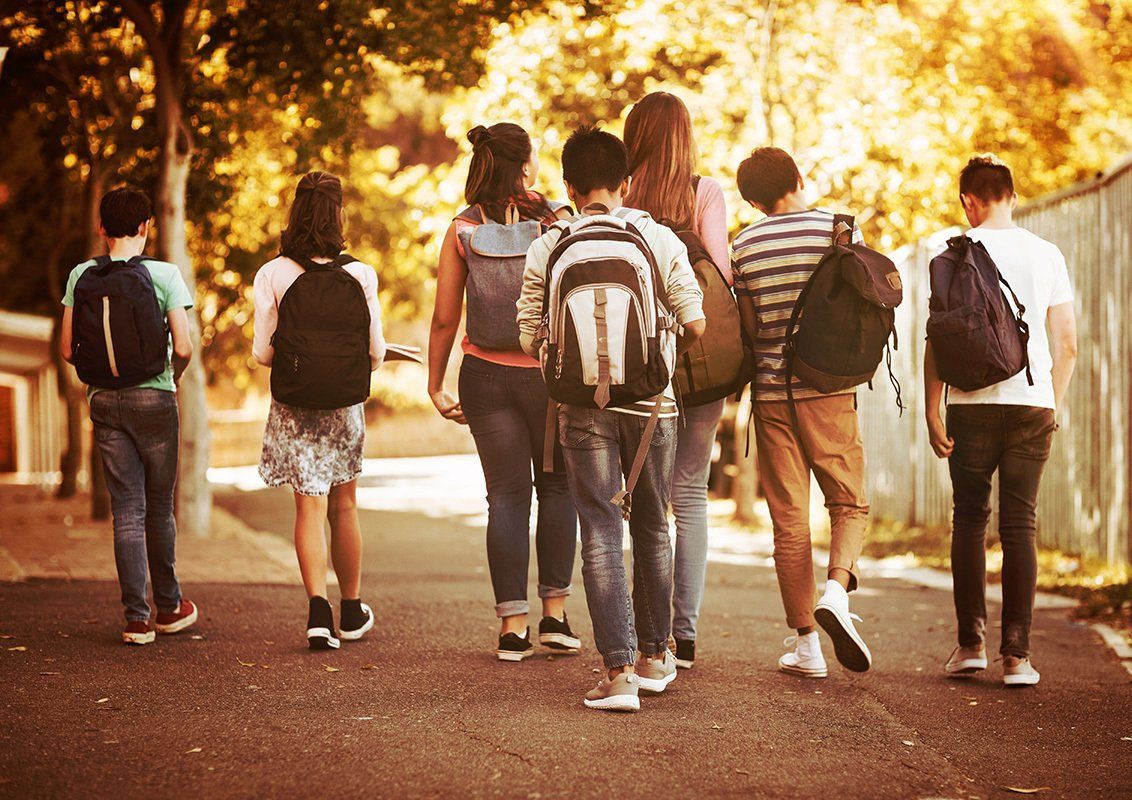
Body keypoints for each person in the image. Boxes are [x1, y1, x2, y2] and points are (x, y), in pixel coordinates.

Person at [517, 125, 705, 711]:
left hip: (579, 406)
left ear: (569, 186)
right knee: (653, 523)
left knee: (599, 528)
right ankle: (656, 657)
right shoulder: (656, 237)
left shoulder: (550, 243)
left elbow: (528, 336)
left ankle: (618, 673)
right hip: (652, 407)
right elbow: (696, 323)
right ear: (626, 182)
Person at [427, 122, 581, 662]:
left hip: (484, 378)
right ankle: (556, 618)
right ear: (524, 166)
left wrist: (434, 383)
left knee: (507, 497)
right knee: (558, 489)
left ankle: (512, 627)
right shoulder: (559, 220)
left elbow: (446, 318)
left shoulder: (461, 228)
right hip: (549, 377)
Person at [924, 155, 1077, 687]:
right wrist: (1050, 402)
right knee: (1020, 524)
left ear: (969, 200)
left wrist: (931, 407)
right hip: (1033, 402)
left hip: (969, 406)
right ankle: (1017, 657)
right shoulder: (1047, 254)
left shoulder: (953, 253)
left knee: (969, 519)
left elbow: (937, 337)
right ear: (1012, 194)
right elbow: (1069, 345)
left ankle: (969, 645)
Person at [731, 147, 872, 678]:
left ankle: (807, 646)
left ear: (752, 199)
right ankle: (836, 591)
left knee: (789, 523)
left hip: (772, 398)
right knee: (849, 503)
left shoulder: (744, 245)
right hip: (830, 391)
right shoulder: (840, 232)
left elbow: (749, 329)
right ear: (798, 177)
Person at [61, 186, 199, 645]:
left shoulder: (81, 275)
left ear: (102, 229)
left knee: (127, 509)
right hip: (154, 399)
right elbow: (183, 346)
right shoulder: (164, 275)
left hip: (104, 401)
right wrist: (171, 377)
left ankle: (136, 619)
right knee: (159, 507)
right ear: (144, 228)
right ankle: (170, 607)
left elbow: (66, 349)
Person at [253, 171, 385, 650]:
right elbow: (375, 353)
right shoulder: (360, 274)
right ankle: (351, 609)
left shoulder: (273, 274)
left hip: (294, 406)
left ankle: (316, 611)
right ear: (338, 214)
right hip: (343, 406)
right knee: (343, 505)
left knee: (307, 507)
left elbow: (264, 355)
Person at [624, 90, 729, 670]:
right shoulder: (703, 192)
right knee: (689, 491)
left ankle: (648, 633)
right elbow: (721, 272)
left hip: (640, 364)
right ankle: (683, 636)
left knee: (644, 497)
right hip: (704, 361)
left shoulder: (623, 195)